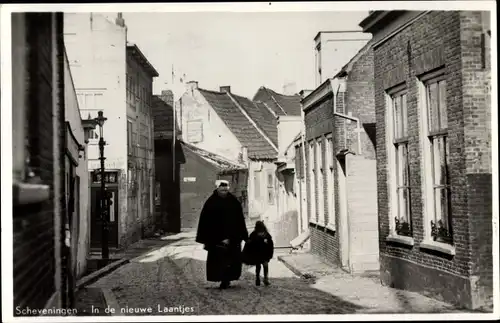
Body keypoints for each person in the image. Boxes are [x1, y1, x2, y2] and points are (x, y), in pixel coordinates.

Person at [195, 179, 249, 289]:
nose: (224, 189)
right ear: (217, 188)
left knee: (231, 260)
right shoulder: (211, 202)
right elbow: (206, 222)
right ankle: (222, 279)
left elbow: (240, 219)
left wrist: (244, 235)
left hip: (233, 237)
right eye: (222, 187)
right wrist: (215, 238)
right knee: (219, 261)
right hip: (216, 239)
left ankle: (227, 279)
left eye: (226, 187)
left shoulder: (233, 201)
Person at [242, 220, 274, 286]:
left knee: (258, 266)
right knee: (265, 266)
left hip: (258, 254)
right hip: (263, 254)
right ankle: (265, 279)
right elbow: (270, 245)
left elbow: (249, 244)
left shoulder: (254, 234)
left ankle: (258, 279)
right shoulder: (266, 234)